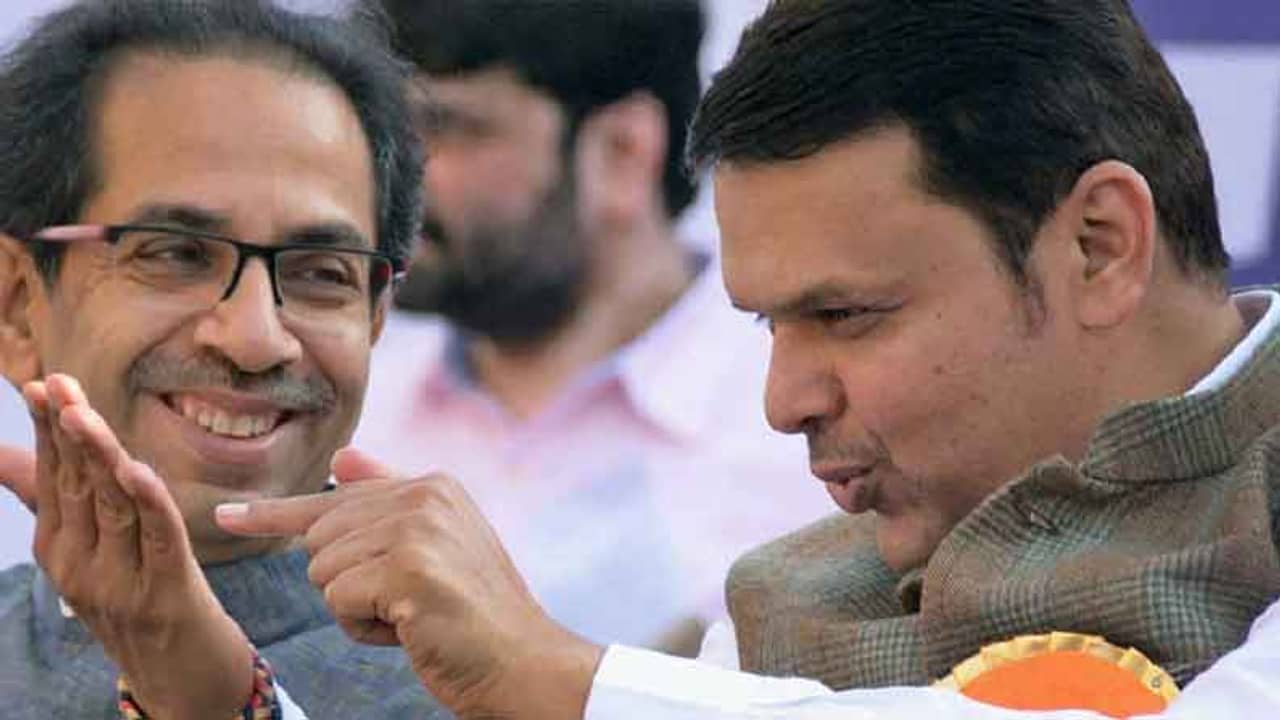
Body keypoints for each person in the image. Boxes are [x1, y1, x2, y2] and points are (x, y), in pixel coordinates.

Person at [207, 0, 1280, 717]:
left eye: (847, 314)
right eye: (769, 326)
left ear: (1098, 245)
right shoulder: (787, 602)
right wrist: (207, 688)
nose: (783, 401)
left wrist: (560, 679)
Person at [0, 0, 449, 717]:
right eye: (176, 255)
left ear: (375, 318)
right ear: (19, 306)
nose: (255, 340)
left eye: (319, 272)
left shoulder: (471, 691)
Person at [351, 0, 829, 653]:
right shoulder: (352, 413)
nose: (394, 178)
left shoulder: (813, 437)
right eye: (385, 129)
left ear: (623, 152)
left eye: (449, 129)